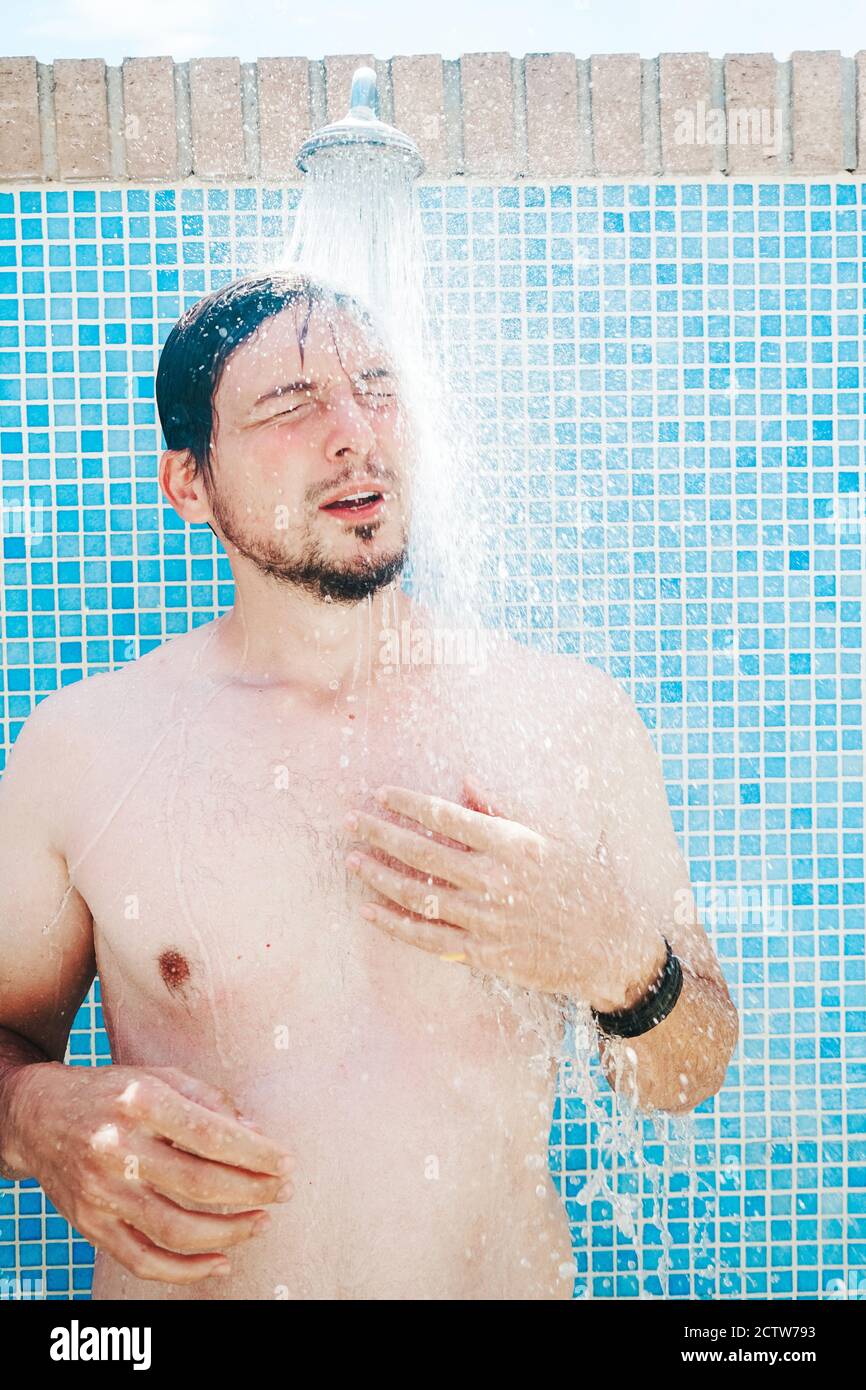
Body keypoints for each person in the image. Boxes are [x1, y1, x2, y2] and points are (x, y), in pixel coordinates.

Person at [0, 271, 738, 1301]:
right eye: (292, 404)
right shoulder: (86, 749)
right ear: (189, 483)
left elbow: (691, 1071)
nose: (355, 433)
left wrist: (618, 958)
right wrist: (32, 1114)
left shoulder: (566, 720)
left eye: (379, 389)